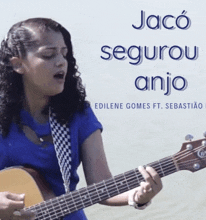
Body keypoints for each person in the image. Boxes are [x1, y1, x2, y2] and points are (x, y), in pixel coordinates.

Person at [0, 18, 162, 220]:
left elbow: (102, 185)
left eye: (64, 54)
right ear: (18, 65)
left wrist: (137, 196)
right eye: (49, 55)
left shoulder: (78, 114)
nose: (61, 61)